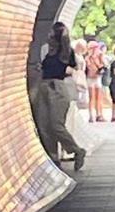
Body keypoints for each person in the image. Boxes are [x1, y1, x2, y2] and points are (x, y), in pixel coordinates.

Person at [37, 22, 87, 171]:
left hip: (57, 87)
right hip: (44, 86)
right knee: (44, 126)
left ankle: (76, 150)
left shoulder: (66, 51)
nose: (49, 36)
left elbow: (73, 68)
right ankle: (53, 158)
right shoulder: (45, 50)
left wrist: (65, 69)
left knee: (56, 124)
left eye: (52, 33)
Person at [84, 40, 105, 122]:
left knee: (98, 97)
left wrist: (100, 58)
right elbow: (89, 67)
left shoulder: (99, 56)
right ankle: (91, 115)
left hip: (97, 77)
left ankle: (99, 114)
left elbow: (103, 65)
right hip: (90, 78)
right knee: (91, 97)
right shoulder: (88, 58)